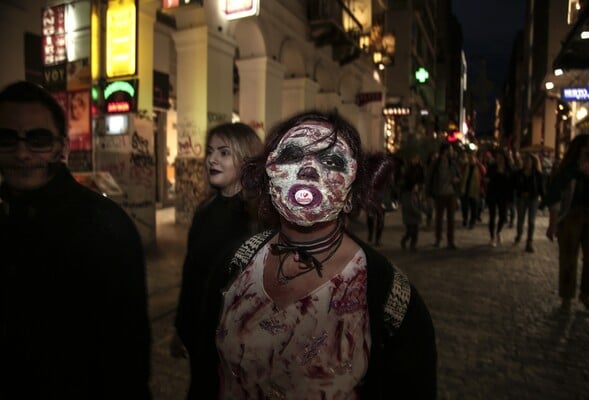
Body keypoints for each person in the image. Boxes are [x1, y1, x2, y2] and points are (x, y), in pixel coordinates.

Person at [194, 110, 437, 399]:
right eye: (292, 154)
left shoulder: (390, 297)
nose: (308, 168)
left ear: (351, 192)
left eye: (331, 161)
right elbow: (205, 373)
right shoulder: (234, 264)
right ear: (269, 177)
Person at [0, 81, 151, 398]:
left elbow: (128, 353)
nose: (22, 153)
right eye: (7, 138)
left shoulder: (104, 227)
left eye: (38, 140)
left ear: (61, 147)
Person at [170, 122, 263, 399]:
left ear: (246, 160)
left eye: (224, 152)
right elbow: (191, 274)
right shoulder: (204, 211)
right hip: (201, 338)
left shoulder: (258, 221)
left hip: (239, 346)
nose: (212, 159)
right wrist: (180, 327)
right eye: (210, 152)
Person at [545, 133, 589, 314]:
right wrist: (553, 223)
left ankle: (586, 294)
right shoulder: (568, 169)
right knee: (568, 258)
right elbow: (555, 196)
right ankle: (566, 298)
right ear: (582, 147)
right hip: (571, 216)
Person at [427, 142, 461, 249]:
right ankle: (438, 239)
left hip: (451, 194)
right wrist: (428, 194)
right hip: (439, 193)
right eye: (450, 149)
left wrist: (457, 180)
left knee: (451, 219)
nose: (451, 152)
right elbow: (429, 178)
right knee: (439, 218)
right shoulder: (436, 163)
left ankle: (451, 241)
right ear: (445, 151)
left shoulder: (453, 163)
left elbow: (459, 175)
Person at [513, 152, 544, 253]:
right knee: (520, 219)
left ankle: (529, 242)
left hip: (533, 199)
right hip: (521, 198)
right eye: (525, 160)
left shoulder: (537, 174)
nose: (526, 162)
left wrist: (544, 200)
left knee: (531, 221)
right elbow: (515, 186)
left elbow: (541, 188)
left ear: (532, 162)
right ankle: (519, 234)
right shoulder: (519, 173)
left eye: (528, 160)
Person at [485, 149, 513, 247]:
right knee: (492, 216)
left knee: (503, 216)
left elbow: (511, 182)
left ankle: (498, 232)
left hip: (503, 195)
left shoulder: (508, 168)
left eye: (501, 157)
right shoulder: (492, 167)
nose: (499, 159)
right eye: (497, 157)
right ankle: (492, 237)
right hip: (493, 194)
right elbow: (487, 178)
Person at [459, 150, 486, 229]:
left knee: (474, 207)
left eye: (472, 158)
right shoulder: (465, 166)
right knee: (465, 206)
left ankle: (472, 222)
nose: (471, 159)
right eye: (469, 158)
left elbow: (484, 176)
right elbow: (461, 175)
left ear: (475, 158)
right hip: (465, 189)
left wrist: (483, 189)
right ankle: (465, 219)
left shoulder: (479, 167)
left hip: (475, 190)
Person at [401, 181, 427, 251]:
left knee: (415, 233)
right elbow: (410, 207)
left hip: (415, 218)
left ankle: (413, 246)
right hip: (409, 218)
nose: (417, 187)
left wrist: (425, 210)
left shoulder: (416, 195)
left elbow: (420, 204)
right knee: (410, 232)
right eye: (416, 186)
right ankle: (404, 241)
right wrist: (418, 213)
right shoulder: (407, 196)